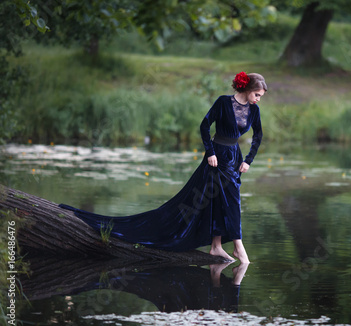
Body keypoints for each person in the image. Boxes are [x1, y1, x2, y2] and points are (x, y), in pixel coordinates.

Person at [59, 72, 266, 263]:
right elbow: (205, 125)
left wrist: (248, 160)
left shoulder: (254, 110)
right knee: (222, 200)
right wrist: (210, 152)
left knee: (223, 200)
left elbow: (258, 136)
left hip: (234, 158)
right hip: (217, 157)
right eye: (257, 94)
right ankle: (238, 247)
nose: (258, 99)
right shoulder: (223, 102)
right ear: (247, 89)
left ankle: (216, 246)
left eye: (260, 96)